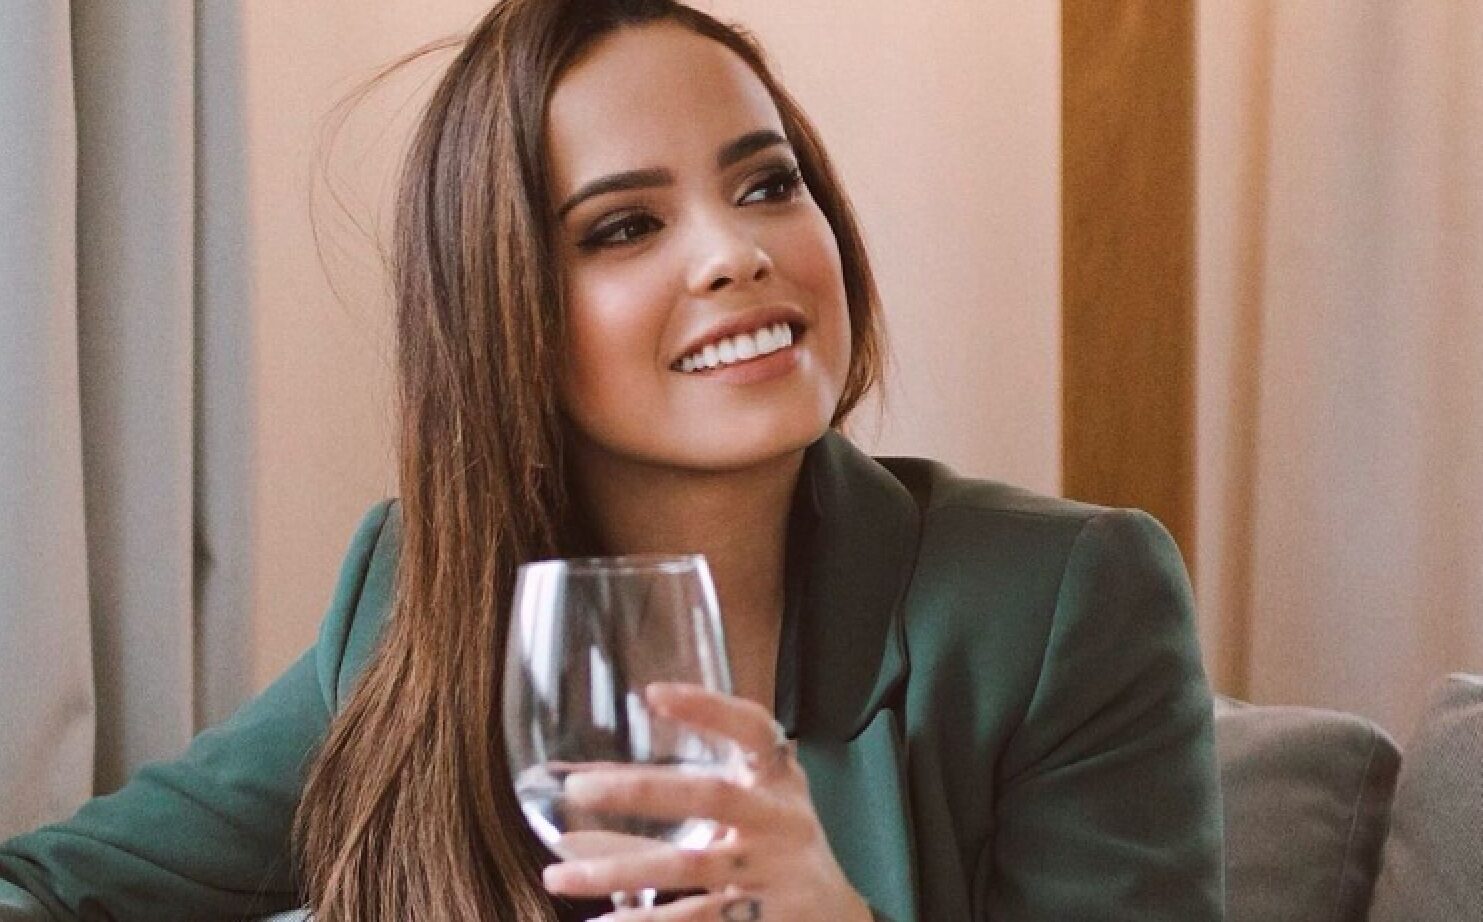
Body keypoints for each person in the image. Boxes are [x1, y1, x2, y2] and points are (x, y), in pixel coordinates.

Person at [0, 1, 1224, 919]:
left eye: (768, 183)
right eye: (626, 225)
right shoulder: (415, 594)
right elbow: (49, 888)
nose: (735, 252)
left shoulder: (1058, 602)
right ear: (506, 319)